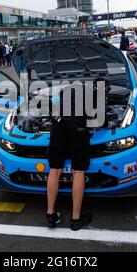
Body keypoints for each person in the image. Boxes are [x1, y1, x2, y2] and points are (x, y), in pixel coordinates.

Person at [46, 84, 93, 232]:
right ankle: (76, 219)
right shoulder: (90, 93)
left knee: (54, 170)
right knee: (78, 171)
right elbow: (99, 119)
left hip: (58, 125)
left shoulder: (61, 93)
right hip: (78, 127)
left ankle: (50, 215)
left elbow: (51, 110)